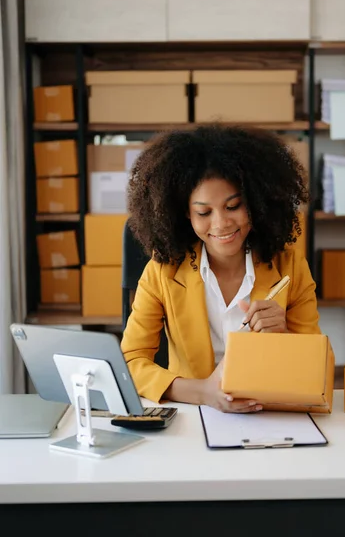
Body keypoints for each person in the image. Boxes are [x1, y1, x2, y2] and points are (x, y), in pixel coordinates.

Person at [121, 124, 321, 413]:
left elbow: (315, 369)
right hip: (192, 414)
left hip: (268, 414)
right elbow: (132, 362)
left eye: (233, 206)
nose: (221, 224)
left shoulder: (290, 268)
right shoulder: (162, 272)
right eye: (204, 212)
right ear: (184, 215)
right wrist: (203, 393)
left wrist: (285, 336)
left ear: (257, 202)